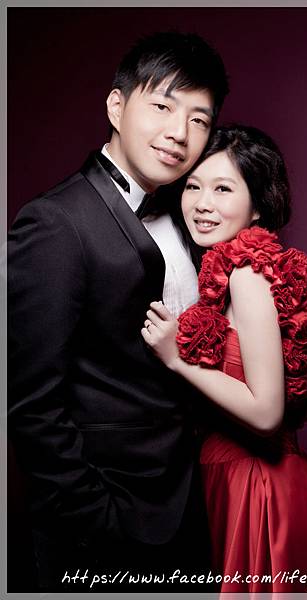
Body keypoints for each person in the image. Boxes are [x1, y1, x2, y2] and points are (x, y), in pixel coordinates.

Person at [7, 31, 228, 592]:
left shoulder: (191, 214)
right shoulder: (55, 222)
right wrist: (94, 516)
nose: (179, 133)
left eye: (198, 120)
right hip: (104, 520)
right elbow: (30, 401)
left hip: (190, 503)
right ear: (116, 105)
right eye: (163, 106)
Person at [141, 125, 307, 595]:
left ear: (257, 205)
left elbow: (267, 412)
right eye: (193, 186)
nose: (202, 203)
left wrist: (176, 359)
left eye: (223, 189)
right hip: (236, 481)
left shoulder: (247, 275)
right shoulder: (227, 268)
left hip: (260, 491)